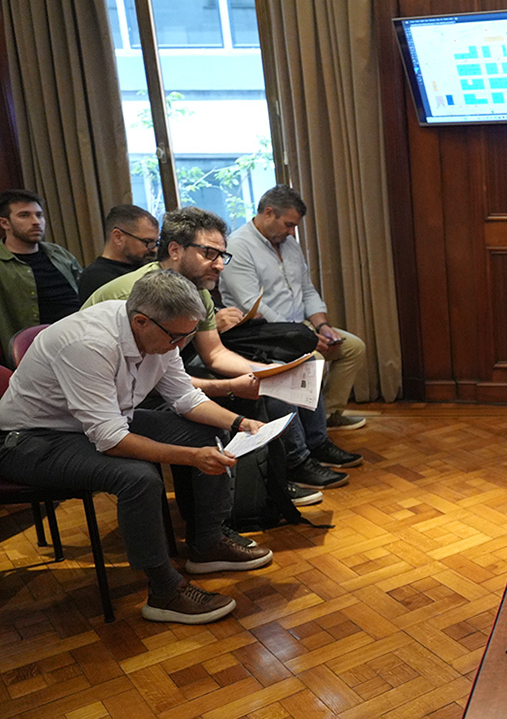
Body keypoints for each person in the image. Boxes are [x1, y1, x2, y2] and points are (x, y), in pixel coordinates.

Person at [0, 269, 273, 624]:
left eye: (188, 335)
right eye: (177, 337)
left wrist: (239, 423)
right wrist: (192, 458)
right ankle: (164, 591)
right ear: (141, 321)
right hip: (29, 439)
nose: (181, 345)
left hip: (96, 422)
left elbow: (185, 398)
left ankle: (207, 543)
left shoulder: (163, 329)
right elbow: (111, 440)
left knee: (202, 432)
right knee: (138, 477)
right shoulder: (89, 343)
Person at [83, 206, 359, 492]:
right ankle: (280, 477)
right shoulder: (137, 293)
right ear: (175, 250)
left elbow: (214, 354)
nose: (219, 265)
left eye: (221, 256)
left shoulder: (198, 292)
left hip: (162, 376)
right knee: (252, 400)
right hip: (113, 397)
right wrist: (231, 386)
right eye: (209, 253)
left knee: (275, 380)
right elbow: (148, 379)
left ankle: (291, 467)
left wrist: (269, 372)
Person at [221, 185, 368, 431]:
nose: (292, 232)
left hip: (300, 326)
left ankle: (329, 416)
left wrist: (322, 325)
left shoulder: (289, 244)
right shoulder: (238, 246)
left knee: (354, 348)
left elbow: (306, 289)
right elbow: (252, 304)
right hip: (263, 333)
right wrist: (304, 336)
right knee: (315, 360)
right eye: (289, 225)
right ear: (269, 213)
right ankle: (310, 431)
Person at [0, 189, 81, 361]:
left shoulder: (59, 254)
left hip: (79, 338)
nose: (36, 222)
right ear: (5, 223)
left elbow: (84, 290)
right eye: (24, 215)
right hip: (36, 351)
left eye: (39, 215)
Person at [78, 205, 160, 302]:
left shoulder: (143, 264)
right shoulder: (95, 278)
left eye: (155, 243)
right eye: (147, 242)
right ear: (118, 237)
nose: (154, 249)